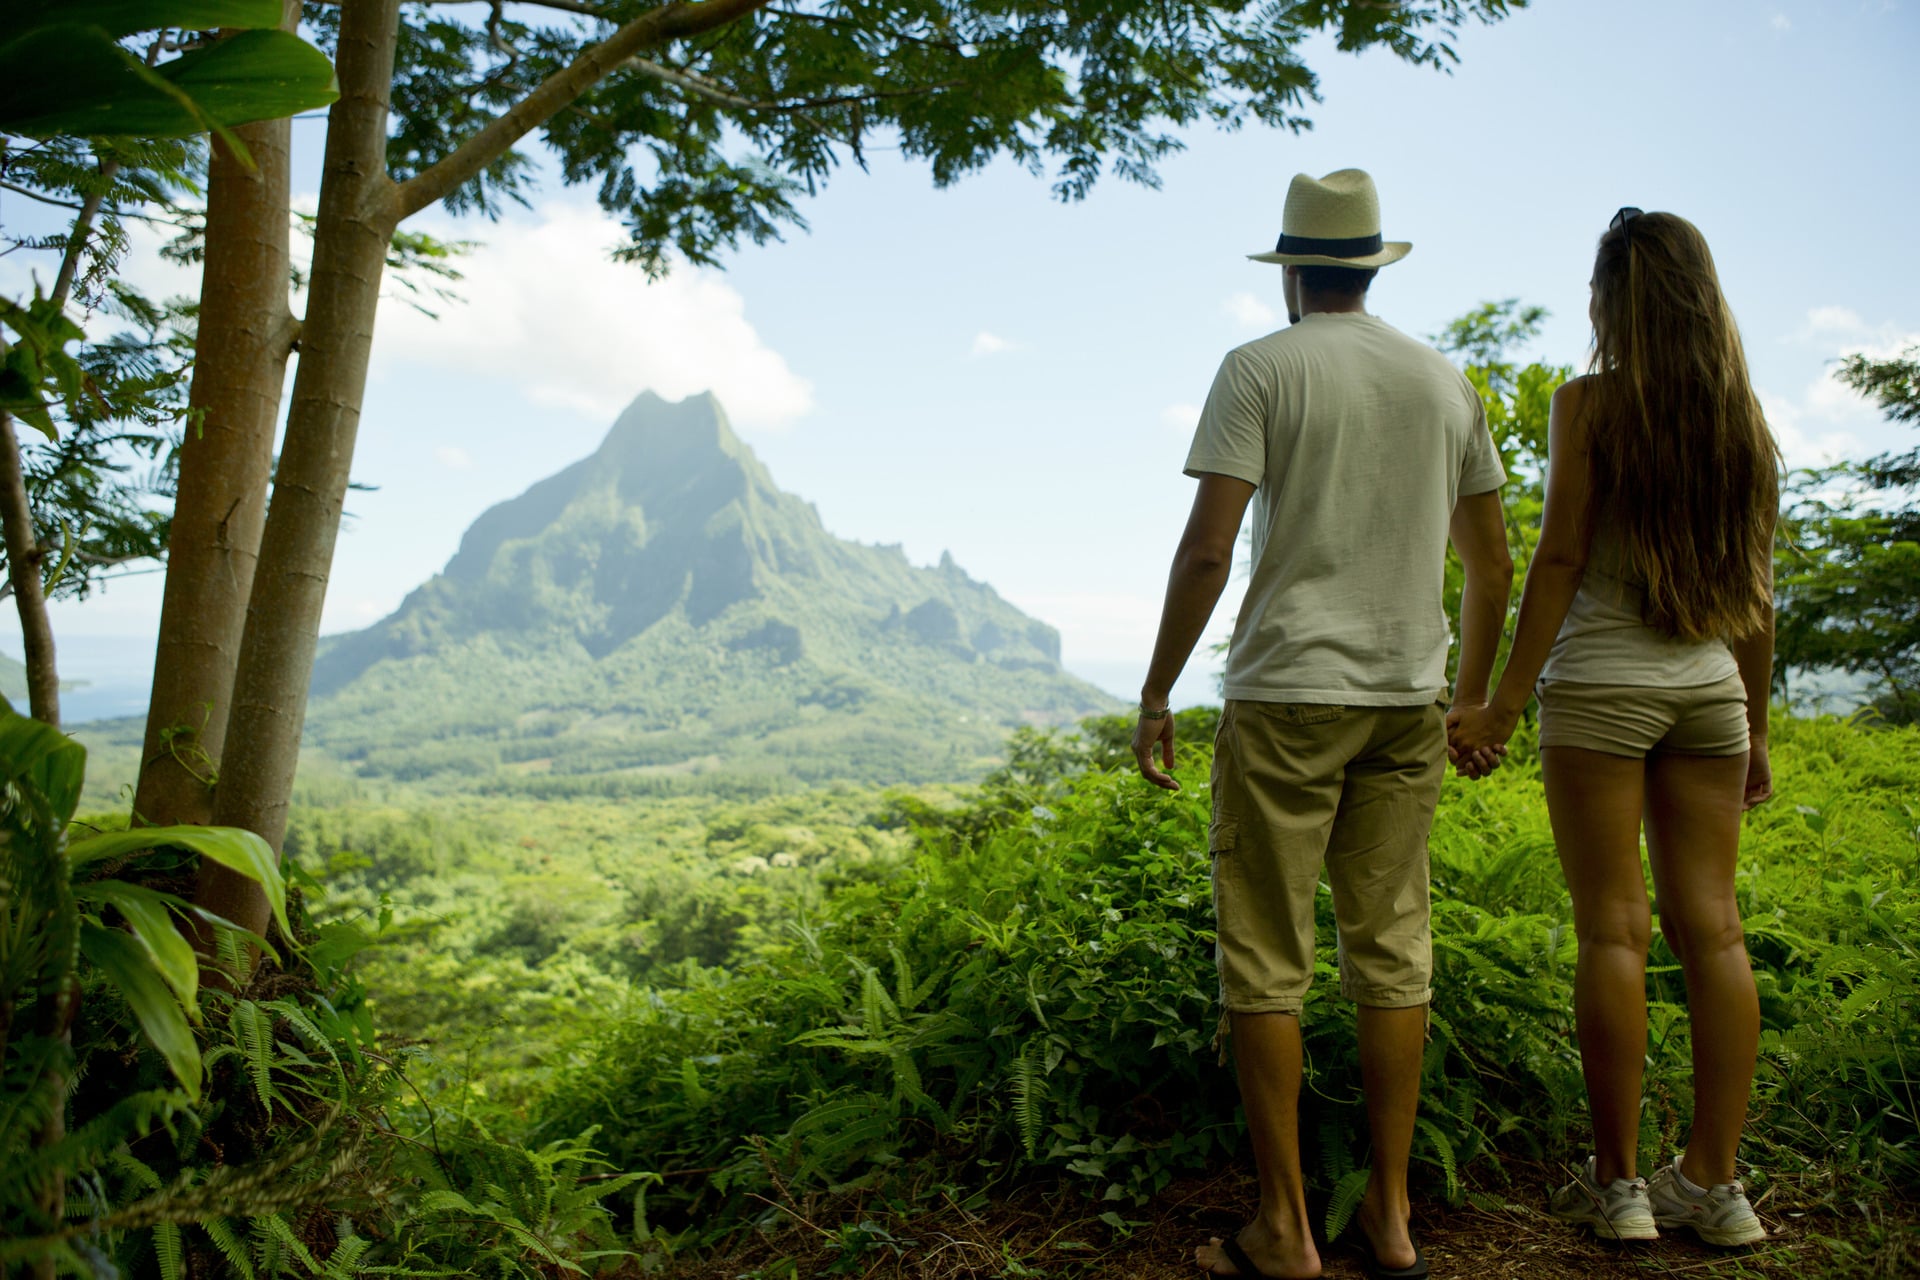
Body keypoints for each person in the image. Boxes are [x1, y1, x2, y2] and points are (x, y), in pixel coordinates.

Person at [1132, 168, 1512, 1280]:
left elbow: (1209, 549)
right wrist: (1474, 695)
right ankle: (1391, 1219)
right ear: (1373, 265)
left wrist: (1158, 689)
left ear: (1294, 271)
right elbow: (1491, 563)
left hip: (1289, 689)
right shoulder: (1445, 382)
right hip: (1409, 696)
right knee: (1393, 946)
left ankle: (1286, 1227)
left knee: (1266, 951)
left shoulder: (1259, 368)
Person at [1446, 209, 1778, 1247]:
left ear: (1610, 300)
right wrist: (1756, 728)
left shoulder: (1588, 404)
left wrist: (1500, 701)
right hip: (1707, 690)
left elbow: (1557, 559)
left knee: (1614, 928)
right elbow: (1758, 597)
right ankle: (1717, 1185)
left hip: (1601, 687)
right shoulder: (1744, 420)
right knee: (1714, 928)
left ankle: (1622, 1185)